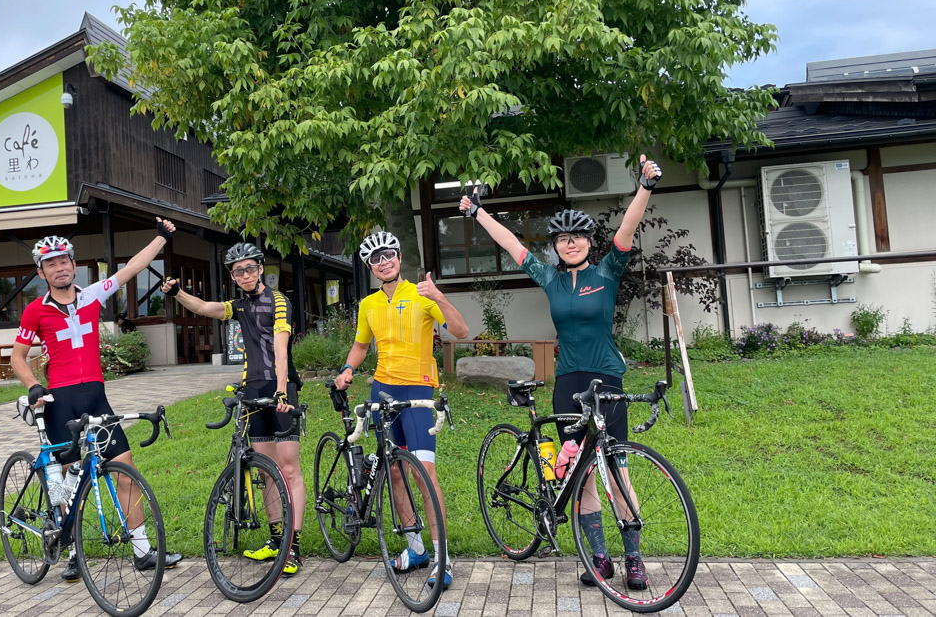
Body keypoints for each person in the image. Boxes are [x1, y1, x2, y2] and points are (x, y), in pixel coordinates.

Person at [461, 154, 663, 590]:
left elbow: (627, 228)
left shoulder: (608, 272)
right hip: (568, 384)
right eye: (562, 240)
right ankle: (599, 558)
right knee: (580, 473)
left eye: (577, 238)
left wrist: (644, 185)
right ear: (555, 247)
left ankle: (633, 559)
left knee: (617, 467)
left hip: (606, 380)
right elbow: (511, 244)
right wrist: (478, 212)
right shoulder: (551, 279)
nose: (569, 244)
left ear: (589, 242)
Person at [11, 221, 183, 583]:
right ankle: (73, 550)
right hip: (60, 401)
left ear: (74, 265)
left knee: (126, 466)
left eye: (65, 261)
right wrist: (33, 385)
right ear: (41, 272)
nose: (60, 268)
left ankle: (142, 551)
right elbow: (18, 358)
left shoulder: (91, 295)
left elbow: (132, 268)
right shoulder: (35, 311)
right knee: (68, 480)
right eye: (51, 264)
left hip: (95, 395)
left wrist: (162, 238)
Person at [160, 242, 306, 576]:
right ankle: (276, 540)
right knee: (266, 468)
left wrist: (282, 389)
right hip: (252, 389)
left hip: (281, 387)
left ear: (260, 268)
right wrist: (177, 293)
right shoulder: (238, 305)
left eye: (249, 268)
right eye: (237, 271)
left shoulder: (278, 300)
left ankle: (293, 549)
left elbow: (281, 349)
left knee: (289, 468)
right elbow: (204, 307)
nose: (243, 275)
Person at [333, 232, 470, 589]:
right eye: (376, 258)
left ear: (398, 256)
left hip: (418, 390)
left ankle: (441, 559)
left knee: (425, 473)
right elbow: (362, 344)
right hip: (383, 392)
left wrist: (439, 296)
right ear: (370, 267)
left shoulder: (421, 295)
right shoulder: (368, 305)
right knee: (394, 472)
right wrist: (348, 369)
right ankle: (416, 549)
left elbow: (461, 331)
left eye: (389, 254)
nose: (384, 261)